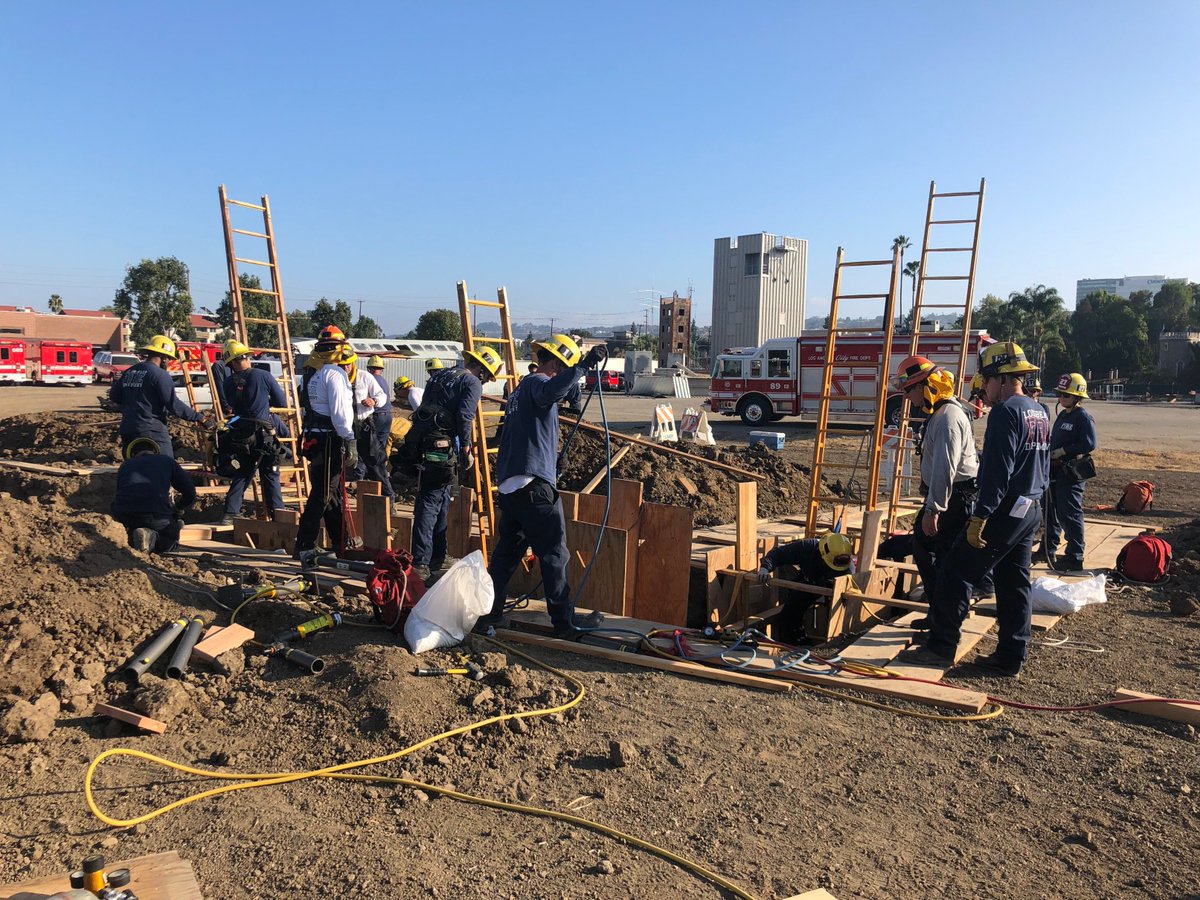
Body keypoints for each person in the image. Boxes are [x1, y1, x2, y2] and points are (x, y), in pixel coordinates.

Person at [904, 341, 1050, 677]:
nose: (983, 388)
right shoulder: (1038, 410)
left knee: (956, 573)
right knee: (1014, 582)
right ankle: (1011, 656)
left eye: (986, 380)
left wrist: (981, 516)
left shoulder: (1005, 412)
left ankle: (940, 648)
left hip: (1003, 509)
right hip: (1030, 508)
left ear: (1000, 377)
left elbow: (998, 470)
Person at [477, 334, 606, 638]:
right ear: (556, 364)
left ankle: (488, 615)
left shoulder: (520, 391)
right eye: (565, 368)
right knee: (554, 553)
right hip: (533, 486)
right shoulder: (537, 382)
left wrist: (550, 461)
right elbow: (552, 389)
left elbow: (524, 437)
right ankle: (565, 622)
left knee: (506, 558)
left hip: (513, 487)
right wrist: (583, 367)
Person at [401, 347, 500, 581]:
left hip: (425, 443)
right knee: (430, 501)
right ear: (483, 372)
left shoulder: (441, 375)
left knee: (442, 498)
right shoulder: (472, 382)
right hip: (441, 447)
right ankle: (421, 562)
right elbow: (466, 416)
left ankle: (438, 556)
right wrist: (466, 448)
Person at [892, 356, 979, 619]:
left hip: (955, 497)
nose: (907, 397)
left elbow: (945, 467)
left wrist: (934, 509)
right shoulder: (942, 414)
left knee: (942, 558)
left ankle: (945, 619)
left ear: (923, 386)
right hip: (951, 496)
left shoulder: (947, 418)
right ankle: (940, 614)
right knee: (928, 549)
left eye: (908, 390)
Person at [295, 346, 359, 566]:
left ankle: (340, 541)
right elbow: (341, 412)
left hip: (316, 438)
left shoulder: (313, 373)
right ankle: (304, 544)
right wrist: (349, 439)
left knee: (331, 492)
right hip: (329, 441)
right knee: (322, 493)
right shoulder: (335, 374)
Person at [218, 341, 288, 524]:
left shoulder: (227, 382)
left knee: (244, 472)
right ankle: (279, 517)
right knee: (271, 473)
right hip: (262, 434)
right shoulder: (263, 376)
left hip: (241, 433)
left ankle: (230, 514)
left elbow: (233, 406)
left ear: (231, 363)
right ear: (247, 357)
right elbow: (281, 402)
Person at [110, 334, 209, 459]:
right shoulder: (160, 375)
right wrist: (200, 418)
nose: (168, 362)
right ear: (163, 357)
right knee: (164, 467)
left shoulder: (130, 371)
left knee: (134, 468)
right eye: (168, 359)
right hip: (152, 432)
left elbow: (114, 396)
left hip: (128, 430)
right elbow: (174, 404)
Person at [756, 532, 854, 643]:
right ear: (823, 554)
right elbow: (778, 554)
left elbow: (850, 588)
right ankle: (793, 640)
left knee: (836, 618)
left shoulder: (847, 567)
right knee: (788, 615)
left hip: (832, 588)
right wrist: (765, 568)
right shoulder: (808, 548)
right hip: (809, 583)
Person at [1045, 372, 1097, 571]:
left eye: (1066, 395)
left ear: (1077, 396)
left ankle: (1075, 556)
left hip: (1072, 472)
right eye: (1060, 394)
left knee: (1071, 513)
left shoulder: (1082, 417)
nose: (1061, 398)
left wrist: (1064, 451)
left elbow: (1089, 443)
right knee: (1057, 511)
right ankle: (1055, 549)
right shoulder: (1063, 416)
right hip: (1057, 471)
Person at [111, 437, 197, 553]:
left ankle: (136, 534)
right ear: (155, 451)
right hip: (155, 516)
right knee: (169, 541)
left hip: (125, 515)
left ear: (132, 454)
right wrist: (178, 508)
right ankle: (152, 535)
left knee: (130, 524)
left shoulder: (125, 465)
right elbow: (190, 492)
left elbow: (120, 493)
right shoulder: (167, 461)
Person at [354, 355, 394, 503]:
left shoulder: (368, 378)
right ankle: (378, 478)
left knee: (369, 449)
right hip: (387, 416)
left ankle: (361, 476)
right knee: (378, 450)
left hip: (375, 417)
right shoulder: (382, 381)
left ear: (369, 368)